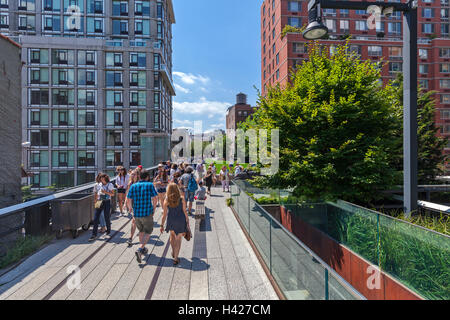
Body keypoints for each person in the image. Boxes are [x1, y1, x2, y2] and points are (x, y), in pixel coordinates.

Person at [126, 170, 158, 263]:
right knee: (148, 231)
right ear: (147, 177)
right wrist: (154, 209)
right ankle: (140, 249)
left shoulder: (133, 186)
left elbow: (128, 199)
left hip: (137, 214)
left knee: (141, 231)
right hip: (147, 212)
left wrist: (130, 209)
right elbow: (155, 199)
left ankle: (142, 249)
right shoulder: (150, 185)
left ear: (139, 177)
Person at [160, 183, 190, 265]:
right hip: (180, 220)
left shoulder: (166, 200)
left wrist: (162, 225)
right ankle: (176, 258)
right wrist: (187, 221)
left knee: (172, 236)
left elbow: (164, 215)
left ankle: (173, 251)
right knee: (178, 239)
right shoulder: (182, 198)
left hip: (171, 220)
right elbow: (184, 211)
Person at [89, 174, 115, 241]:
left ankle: (108, 230)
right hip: (99, 201)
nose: (101, 180)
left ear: (106, 179)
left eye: (103, 179)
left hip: (106, 201)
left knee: (106, 217)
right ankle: (94, 234)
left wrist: (105, 192)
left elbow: (112, 194)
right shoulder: (99, 184)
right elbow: (97, 193)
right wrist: (96, 200)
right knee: (96, 218)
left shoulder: (110, 185)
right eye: (101, 178)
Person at [126, 169, 140, 247]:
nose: (132, 175)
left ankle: (142, 233)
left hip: (141, 203)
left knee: (138, 220)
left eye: (134, 174)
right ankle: (131, 237)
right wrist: (128, 205)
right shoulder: (130, 183)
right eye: (131, 174)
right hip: (134, 203)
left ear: (137, 175)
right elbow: (128, 195)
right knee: (134, 221)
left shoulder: (140, 183)